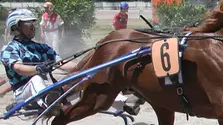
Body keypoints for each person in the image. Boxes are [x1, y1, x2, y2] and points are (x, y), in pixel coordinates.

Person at [2, 9, 138, 115]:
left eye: (33, 23)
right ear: (16, 27)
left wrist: (86, 69)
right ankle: (50, 104)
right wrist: (38, 69)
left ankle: (124, 104)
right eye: (28, 24)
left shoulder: (41, 47)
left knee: (85, 80)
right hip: (23, 92)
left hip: (48, 89)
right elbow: (19, 68)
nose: (33, 27)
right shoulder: (9, 48)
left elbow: (61, 63)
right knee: (37, 79)